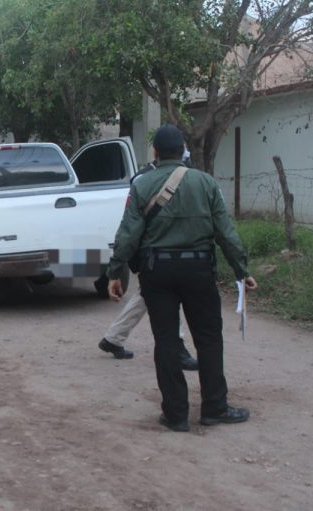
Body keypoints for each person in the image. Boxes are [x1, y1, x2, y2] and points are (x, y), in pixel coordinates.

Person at [106, 124, 258, 432]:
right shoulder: (206, 183)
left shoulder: (141, 185)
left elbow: (128, 234)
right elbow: (225, 232)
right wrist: (242, 270)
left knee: (165, 342)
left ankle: (175, 415)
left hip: (157, 273)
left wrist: (115, 272)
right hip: (198, 271)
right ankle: (214, 408)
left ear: (156, 152)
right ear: (183, 150)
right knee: (209, 339)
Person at [98, 156, 198, 371]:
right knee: (170, 293)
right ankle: (177, 348)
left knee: (146, 294)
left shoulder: (146, 177)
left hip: (152, 251)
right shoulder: (146, 179)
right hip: (152, 252)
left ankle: (113, 338)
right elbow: (134, 222)